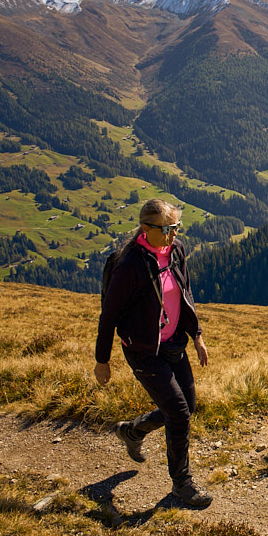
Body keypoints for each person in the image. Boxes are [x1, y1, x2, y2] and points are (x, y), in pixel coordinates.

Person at [94, 198, 212, 507]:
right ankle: (182, 484)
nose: (174, 234)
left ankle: (133, 431)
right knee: (179, 413)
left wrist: (197, 336)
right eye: (167, 229)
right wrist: (102, 361)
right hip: (144, 351)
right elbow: (108, 315)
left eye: (176, 227)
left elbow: (185, 293)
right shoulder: (130, 264)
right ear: (146, 229)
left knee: (187, 405)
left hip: (173, 344)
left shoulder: (176, 250)